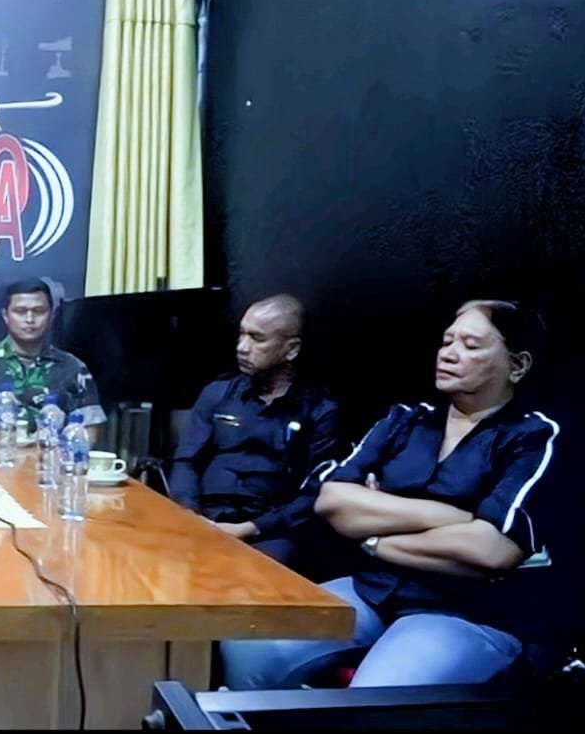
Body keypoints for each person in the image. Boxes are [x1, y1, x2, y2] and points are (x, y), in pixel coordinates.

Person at [221, 300, 557, 689]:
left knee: (375, 695)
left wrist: (375, 540)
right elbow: (333, 500)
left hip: (463, 611)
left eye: (471, 345)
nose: (449, 353)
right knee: (248, 643)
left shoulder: (532, 436)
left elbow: (492, 550)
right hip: (373, 588)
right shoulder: (406, 420)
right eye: (447, 341)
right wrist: (458, 518)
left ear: (517, 365)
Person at [168, 295, 341, 568]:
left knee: (256, 571)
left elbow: (316, 493)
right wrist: (189, 512)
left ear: (291, 349)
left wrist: (250, 528)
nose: (242, 347)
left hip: (270, 527)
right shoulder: (218, 393)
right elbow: (186, 460)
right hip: (204, 515)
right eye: (241, 334)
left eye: (257, 338)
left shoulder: (319, 410)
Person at [0, 278, 105, 438]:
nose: (29, 319)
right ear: (6, 316)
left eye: (39, 311)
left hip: (50, 453)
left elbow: (90, 429)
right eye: (20, 311)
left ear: (52, 315)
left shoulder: (73, 367)